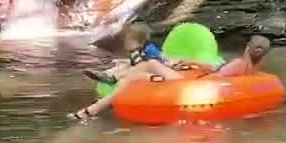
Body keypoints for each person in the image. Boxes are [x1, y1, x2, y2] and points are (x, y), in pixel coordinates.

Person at [71, 36, 272, 121]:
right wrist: (192, 64)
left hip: (192, 88)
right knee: (142, 74)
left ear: (247, 47)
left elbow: (215, 77)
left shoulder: (238, 63)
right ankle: (108, 83)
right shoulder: (253, 68)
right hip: (197, 83)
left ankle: (109, 79)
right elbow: (218, 73)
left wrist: (193, 65)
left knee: (152, 65)